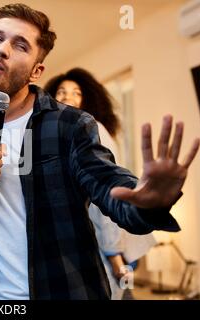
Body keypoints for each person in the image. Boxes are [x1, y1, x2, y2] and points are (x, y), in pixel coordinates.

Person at [0, 3, 200, 300]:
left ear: (36, 71)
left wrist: (149, 202)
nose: (2, 50)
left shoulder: (69, 124)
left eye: (20, 45)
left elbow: (110, 186)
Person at [45, 68, 157, 299]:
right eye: (61, 92)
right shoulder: (56, 136)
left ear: (86, 99)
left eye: (76, 93)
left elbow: (108, 192)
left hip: (111, 242)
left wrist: (113, 252)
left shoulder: (90, 127)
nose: (68, 97)